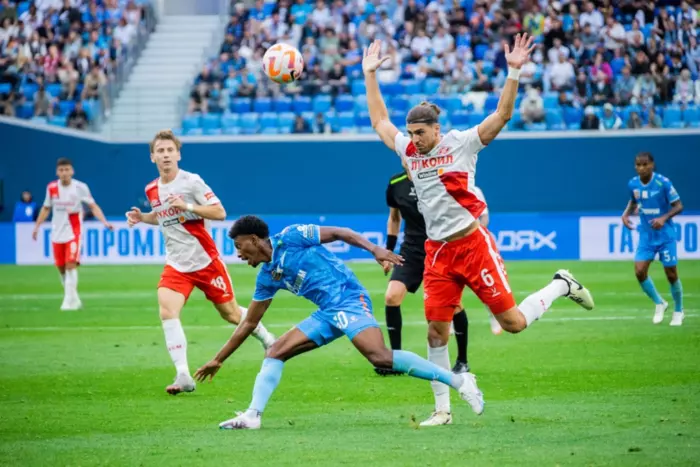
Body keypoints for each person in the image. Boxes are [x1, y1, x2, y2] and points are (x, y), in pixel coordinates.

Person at [363, 35, 594, 426]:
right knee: (436, 333)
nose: (414, 140)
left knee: (512, 324)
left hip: (472, 245)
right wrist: (370, 75)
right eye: (411, 134)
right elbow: (379, 123)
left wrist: (514, 71)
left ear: (436, 129)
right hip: (437, 252)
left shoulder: (462, 144)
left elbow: (501, 115)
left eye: (420, 133)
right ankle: (442, 410)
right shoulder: (409, 153)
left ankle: (560, 284)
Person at [193, 216, 486, 430]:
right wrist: (218, 359)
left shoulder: (292, 236)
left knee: (379, 357)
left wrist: (375, 250)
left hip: (349, 299)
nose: (238, 253)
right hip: (328, 312)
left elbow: (339, 233)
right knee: (276, 351)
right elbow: (248, 323)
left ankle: (461, 381)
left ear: (254, 240)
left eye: (239, 245)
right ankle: (252, 416)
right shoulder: (267, 276)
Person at [125, 130, 275, 395]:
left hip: (205, 262)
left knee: (230, 314)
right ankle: (183, 374)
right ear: (152, 157)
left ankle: (268, 340)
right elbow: (161, 216)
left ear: (178, 154)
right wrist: (143, 218)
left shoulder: (191, 182)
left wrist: (188, 207)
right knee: (167, 312)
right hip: (176, 265)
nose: (166, 155)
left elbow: (220, 212)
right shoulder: (152, 189)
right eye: (160, 151)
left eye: (170, 150)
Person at [32, 158, 113, 311]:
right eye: (61, 170)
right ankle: (74, 299)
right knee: (61, 267)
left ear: (72, 171)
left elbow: (93, 206)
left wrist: (105, 222)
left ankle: (67, 302)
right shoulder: (52, 188)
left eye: (67, 169)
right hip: (57, 232)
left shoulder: (80, 187)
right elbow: (46, 208)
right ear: (57, 172)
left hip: (74, 231)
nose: (64, 173)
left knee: (70, 264)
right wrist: (37, 227)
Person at [621, 152, 684, 326]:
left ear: (652, 165)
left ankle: (678, 310)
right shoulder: (633, 183)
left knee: (671, 274)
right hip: (646, 236)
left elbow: (679, 205)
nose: (641, 168)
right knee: (639, 271)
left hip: (665, 236)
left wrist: (663, 218)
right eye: (638, 165)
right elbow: (633, 201)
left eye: (645, 164)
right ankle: (659, 302)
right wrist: (625, 214)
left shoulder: (663, 183)